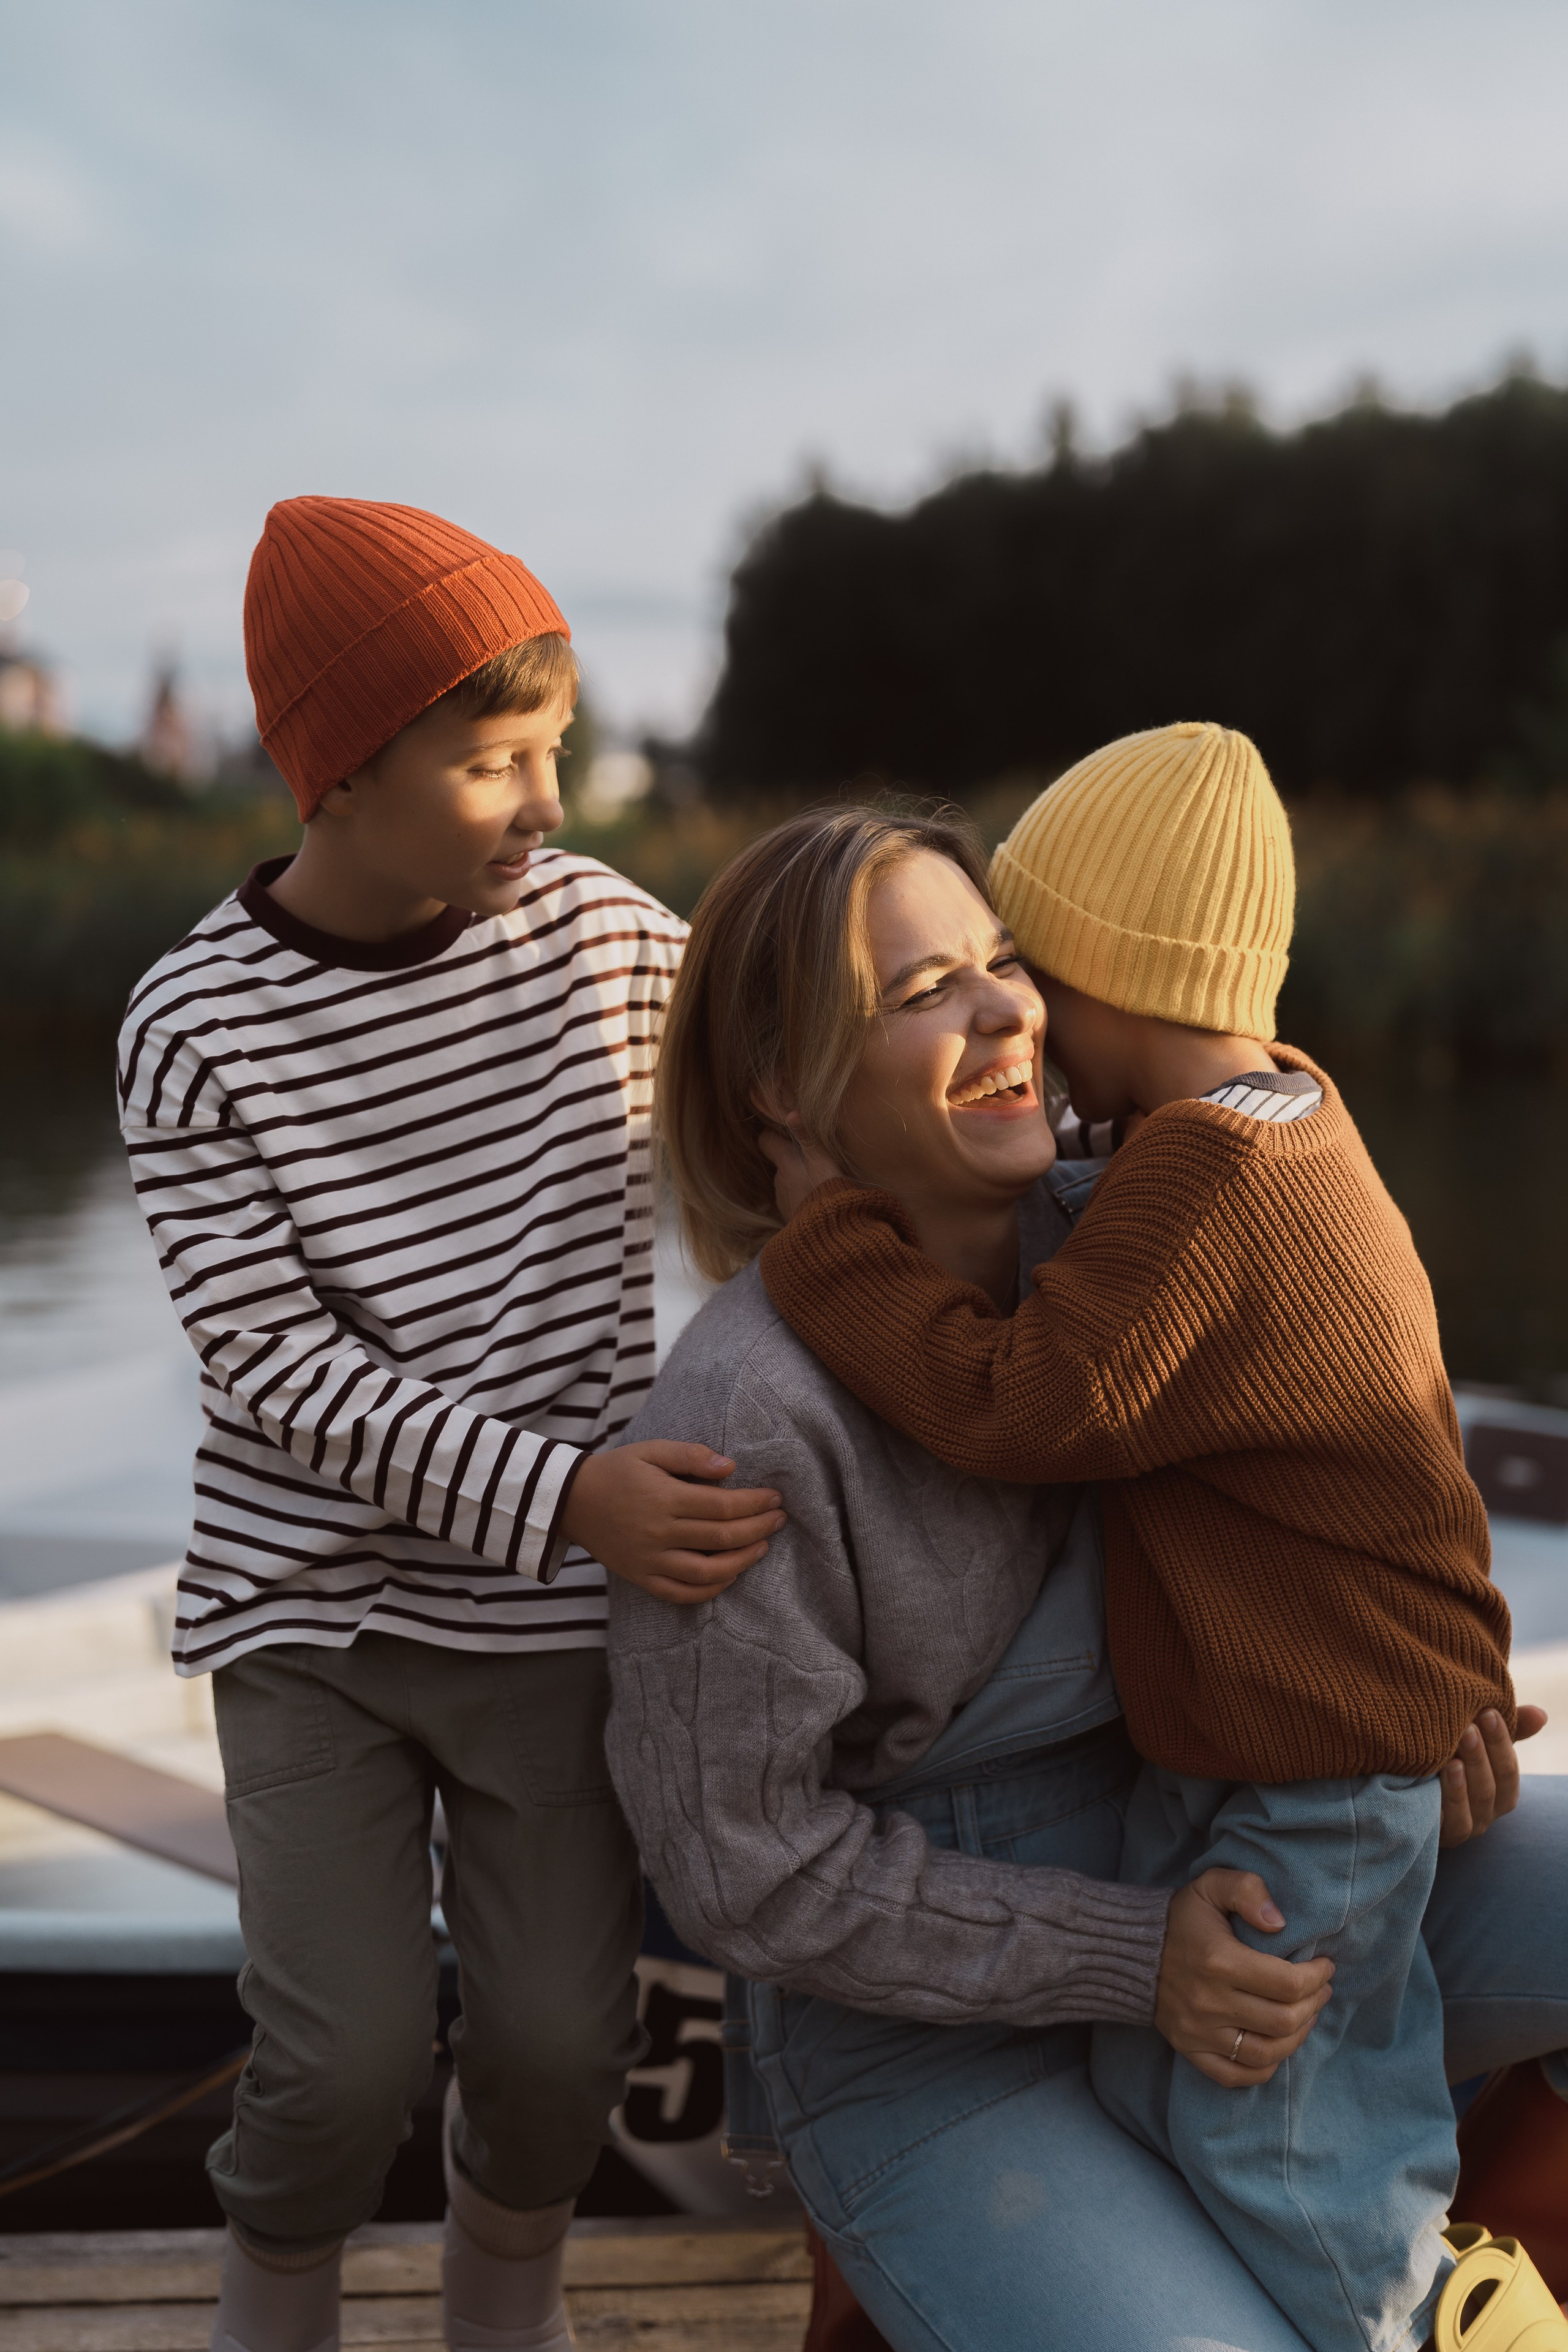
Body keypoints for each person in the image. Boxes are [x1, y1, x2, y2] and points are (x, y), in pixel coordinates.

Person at [606, 801, 1568, 2352]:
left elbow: (1360, 1444)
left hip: (1237, 1844)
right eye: (924, 994)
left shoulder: (1145, 1225)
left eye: (1003, 961)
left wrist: (1417, 1689)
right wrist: (1138, 1958)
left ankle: (1476, 2270)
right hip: (933, 2047)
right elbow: (744, 1871)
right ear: (781, 1086)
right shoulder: (743, 1415)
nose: (1008, 1013)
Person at [117, 496, 783, 2352]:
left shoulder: (605, 944)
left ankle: (504, 2310)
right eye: (494, 761)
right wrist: (574, 1495)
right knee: (340, 2059)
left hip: (550, 1628)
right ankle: (278, 2319)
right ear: (334, 777)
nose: (552, 802)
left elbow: (791, 1088)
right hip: (315, 1623)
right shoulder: (194, 1024)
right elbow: (270, 1365)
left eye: (553, 746)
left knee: (567, 2047)